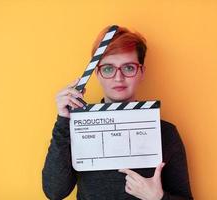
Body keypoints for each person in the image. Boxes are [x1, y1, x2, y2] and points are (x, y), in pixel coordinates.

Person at [42, 25, 193, 200]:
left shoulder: (166, 133)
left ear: (141, 72)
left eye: (128, 68)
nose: (118, 77)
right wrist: (63, 121)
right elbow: (55, 191)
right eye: (108, 68)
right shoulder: (77, 129)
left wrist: (158, 198)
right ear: (97, 73)